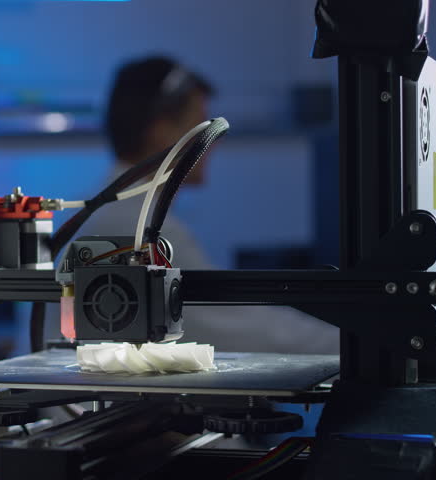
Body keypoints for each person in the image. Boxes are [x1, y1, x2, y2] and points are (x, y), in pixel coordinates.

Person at [81, 56, 339, 354]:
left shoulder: (111, 212)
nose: (213, 143)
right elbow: (241, 330)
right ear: (163, 131)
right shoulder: (132, 227)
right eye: (202, 126)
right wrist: (358, 347)